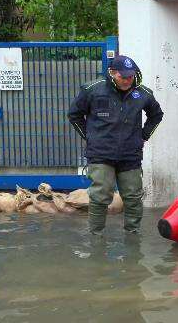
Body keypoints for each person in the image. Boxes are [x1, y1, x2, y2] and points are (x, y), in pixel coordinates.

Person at [68, 55, 164, 235]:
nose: (128, 80)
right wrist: (90, 137)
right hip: (101, 154)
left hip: (130, 155)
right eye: (123, 76)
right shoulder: (92, 90)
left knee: (134, 197)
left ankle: (132, 235)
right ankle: (96, 238)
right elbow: (74, 115)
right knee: (100, 196)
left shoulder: (143, 94)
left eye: (131, 76)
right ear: (112, 73)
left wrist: (143, 136)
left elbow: (156, 115)